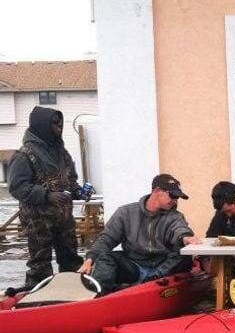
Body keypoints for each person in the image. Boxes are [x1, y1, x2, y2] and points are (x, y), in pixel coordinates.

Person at [6, 106, 86, 291]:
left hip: (63, 217)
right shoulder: (24, 155)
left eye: (60, 123)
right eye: (54, 124)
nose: (59, 127)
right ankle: (38, 294)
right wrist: (47, 195)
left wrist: (78, 191)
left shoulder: (62, 152)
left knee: (70, 256)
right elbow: (17, 187)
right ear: (42, 125)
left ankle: (73, 290)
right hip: (38, 219)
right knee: (40, 262)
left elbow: (70, 180)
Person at [78, 173, 202, 292]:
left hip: (163, 267)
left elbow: (180, 229)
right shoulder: (125, 212)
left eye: (177, 198)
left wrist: (185, 238)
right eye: (173, 196)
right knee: (106, 258)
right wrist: (90, 259)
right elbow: (106, 239)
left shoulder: (175, 216)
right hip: (134, 265)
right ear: (157, 191)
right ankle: (98, 296)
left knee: (184, 256)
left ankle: (147, 283)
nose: (175, 201)